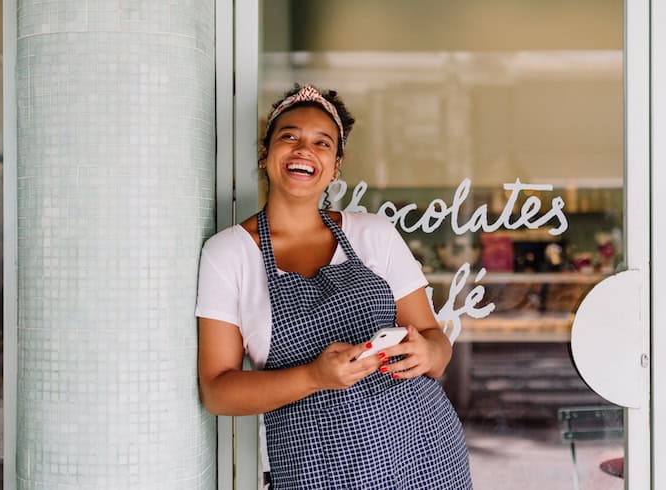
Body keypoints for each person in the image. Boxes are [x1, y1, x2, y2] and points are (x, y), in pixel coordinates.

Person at [196, 84, 472, 489]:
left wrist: (426, 351)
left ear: (335, 165)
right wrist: (314, 377)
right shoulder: (228, 255)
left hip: (424, 453)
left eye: (321, 142)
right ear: (265, 152)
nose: (304, 149)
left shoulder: (373, 233)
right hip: (315, 470)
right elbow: (218, 391)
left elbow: (438, 346)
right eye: (289, 136)